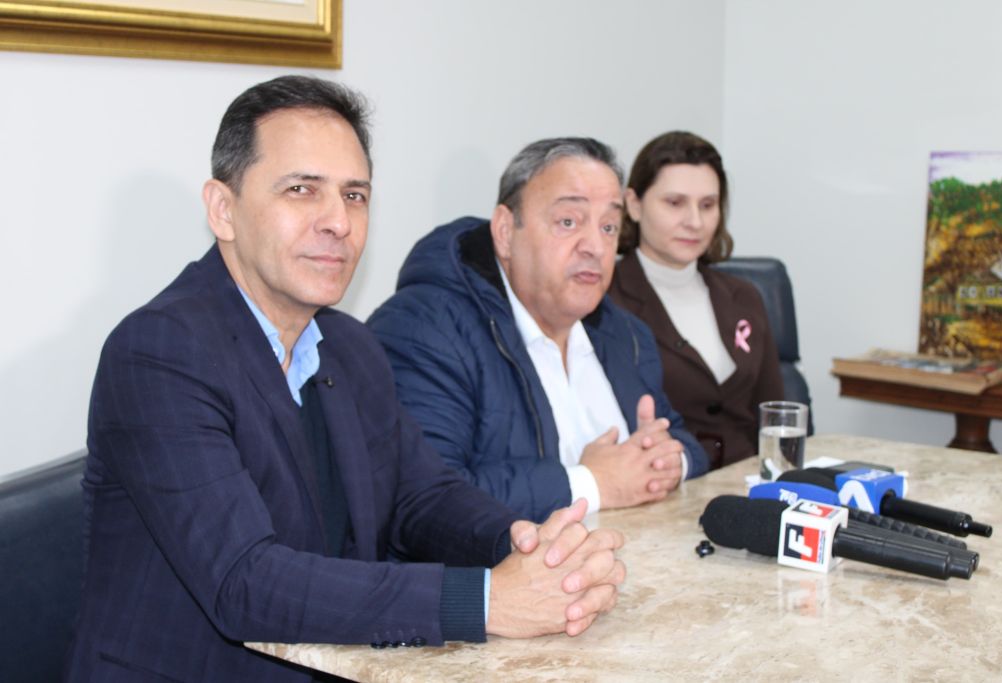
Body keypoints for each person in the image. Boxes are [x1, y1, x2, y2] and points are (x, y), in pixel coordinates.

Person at [66, 77, 625, 682]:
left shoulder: (349, 345)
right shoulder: (158, 353)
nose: (338, 221)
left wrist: (525, 547)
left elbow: (422, 498)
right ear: (223, 209)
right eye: (302, 190)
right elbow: (244, 581)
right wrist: (485, 601)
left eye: (355, 196)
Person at [367, 138, 708, 523]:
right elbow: (424, 500)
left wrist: (668, 461)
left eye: (609, 226)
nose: (595, 246)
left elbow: (685, 442)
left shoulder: (624, 333)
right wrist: (591, 483)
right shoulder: (425, 329)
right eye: (568, 222)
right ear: (504, 232)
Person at [607, 131, 785, 470]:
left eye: (708, 205)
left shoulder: (744, 297)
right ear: (633, 204)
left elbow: (775, 416)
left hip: (749, 491)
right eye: (675, 203)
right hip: (659, 489)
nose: (695, 221)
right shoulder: (605, 300)